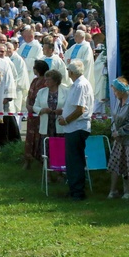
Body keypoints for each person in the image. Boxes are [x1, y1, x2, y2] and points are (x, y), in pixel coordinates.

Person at [58, 60, 93, 201]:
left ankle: (78, 192)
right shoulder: (77, 85)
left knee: (75, 161)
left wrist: (66, 120)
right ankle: (74, 189)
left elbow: (80, 109)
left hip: (77, 127)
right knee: (72, 161)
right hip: (73, 127)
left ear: (71, 72)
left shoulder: (80, 85)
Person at [24, 60, 50, 168]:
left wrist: (35, 108)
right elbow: (29, 95)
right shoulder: (34, 81)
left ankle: (42, 160)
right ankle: (28, 160)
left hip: (40, 115)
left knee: (40, 137)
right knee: (30, 137)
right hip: (32, 116)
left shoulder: (46, 82)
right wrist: (27, 105)